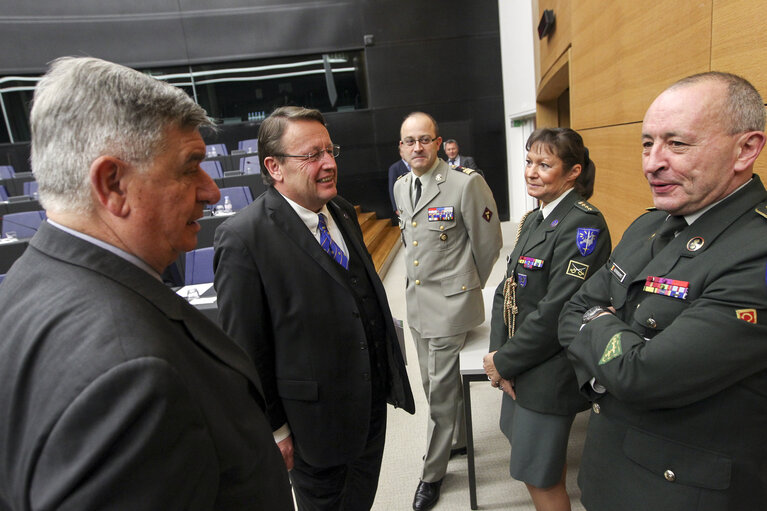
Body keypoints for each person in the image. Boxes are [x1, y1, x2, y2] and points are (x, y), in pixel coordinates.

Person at [0, 57, 293, 510]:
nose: (212, 190)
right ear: (113, 184)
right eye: (189, 165)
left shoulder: (23, 285)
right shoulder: (131, 377)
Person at [558, 71, 767, 510]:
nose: (652, 162)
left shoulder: (757, 251)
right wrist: (609, 363)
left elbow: (643, 374)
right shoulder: (649, 225)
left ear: (746, 148)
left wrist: (599, 326)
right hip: (606, 475)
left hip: (679, 493)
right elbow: (573, 308)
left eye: (677, 144)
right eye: (647, 143)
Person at [213, 106, 415, 510]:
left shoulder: (340, 210)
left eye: (330, 150)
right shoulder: (243, 238)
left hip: (369, 408)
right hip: (313, 429)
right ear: (274, 166)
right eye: (312, 155)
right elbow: (246, 350)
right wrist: (275, 431)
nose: (329, 163)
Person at [482, 128, 611, 511]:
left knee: (539, 476)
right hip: (521, 363)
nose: (531, 172)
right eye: (529, 162)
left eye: (544, 164)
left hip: (549, 369)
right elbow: (509, 294)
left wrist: (504, 360)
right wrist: (497, 356)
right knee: (537, 466)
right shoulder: (537, 218)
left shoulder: (583, 225)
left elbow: (557, 310)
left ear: (573, 172)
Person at [393, 112, 502, 510]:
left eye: (425, 140)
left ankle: (433, 474)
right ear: (401, 148)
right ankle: (456, 440)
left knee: (439, 394)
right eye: (409, 141)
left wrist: (464, 287)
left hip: (451, 306)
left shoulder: (464, 184)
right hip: (418, 304)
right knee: (430, 382)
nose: (417, 148)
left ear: (439, 143)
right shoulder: (403, 186)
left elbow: (488, 246)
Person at [388, 145, 411, 215]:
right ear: (400, 153)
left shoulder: (416, 164)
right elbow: (392, 188)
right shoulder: (394, 168)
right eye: (404, 152)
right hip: (403, 204)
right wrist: (396, 208)